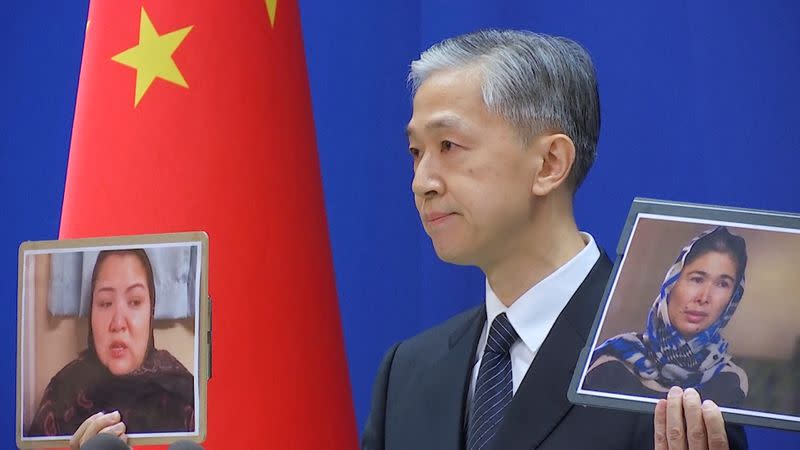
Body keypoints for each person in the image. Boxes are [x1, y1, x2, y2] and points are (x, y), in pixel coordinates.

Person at [361, 30, 747, 449]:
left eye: (449, 145)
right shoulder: (408, 371)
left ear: (550, 163)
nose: (423, 182)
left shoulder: (672, 375)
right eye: (416, 152)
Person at [28, 249, 195, 443]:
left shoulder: (182, 395)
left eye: (134, 301)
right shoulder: (62, 394)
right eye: (106, 303)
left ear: (151, 311)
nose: (118, 323)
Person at [584, 226, 749, 407]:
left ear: (732, 298)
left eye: (722, 284)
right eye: (697, 279)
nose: (704, 297)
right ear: (672, 283)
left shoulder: (731, 380)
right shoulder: (614, 361)